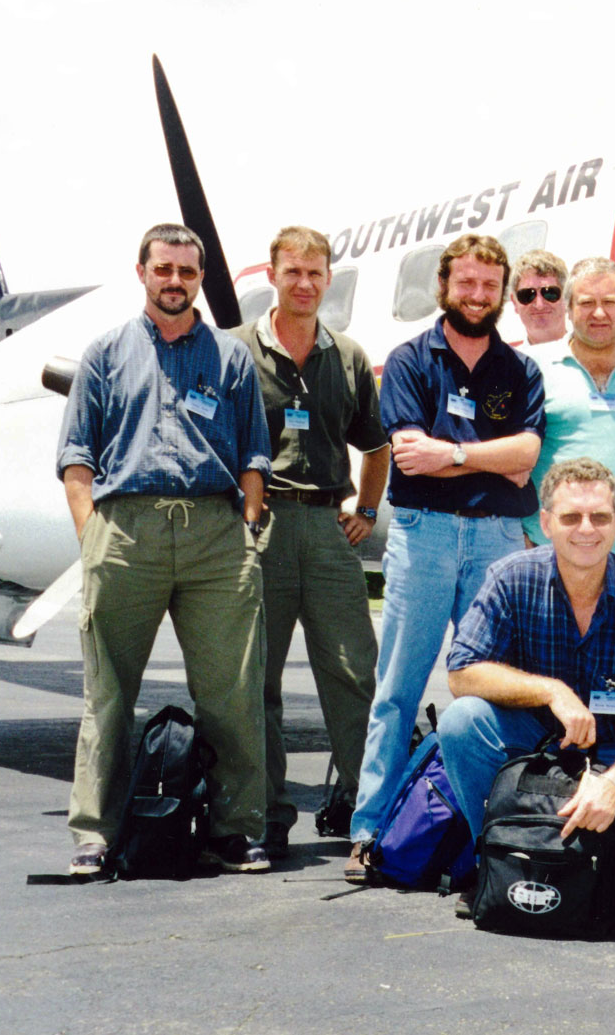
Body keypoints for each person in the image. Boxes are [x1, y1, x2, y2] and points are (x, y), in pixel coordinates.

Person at [57, 223, 274, 875]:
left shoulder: (232, 359)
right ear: (143, 272)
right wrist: (92, 533)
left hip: (215, 535)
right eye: (164, 269)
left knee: (233, 690)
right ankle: (97, 831)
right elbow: (75, 455)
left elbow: (255, 452)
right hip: (127, 533)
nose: (175, 281)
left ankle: (237, 827)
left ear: (200, 278)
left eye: (187, 271)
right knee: (108, 692)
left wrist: (249, 522)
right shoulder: (105, 353)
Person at [347, 234, 545, 882]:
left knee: (498, 691)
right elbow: (407, 453)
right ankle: (369, 828)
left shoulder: (519, 373)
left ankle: (495, 831)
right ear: (445, 286)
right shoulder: (409, 360)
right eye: (467, 283)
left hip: (493, 540)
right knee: (398, 689)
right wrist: (490, 455)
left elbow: (526, 457)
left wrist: (454, 454)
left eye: (490, 286)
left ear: (502, 293)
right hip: (424, 535)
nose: (478, 295)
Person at [439, 458, 615, 910]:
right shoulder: (511, 579)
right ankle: (500, 855)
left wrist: (613, 785)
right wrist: (552, 691)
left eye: (599, 517)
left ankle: (605, 865)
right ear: (545, 523)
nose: (586, 529)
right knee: (463, 721)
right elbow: (462, 673)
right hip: (533, 747)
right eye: (570, 517)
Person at [226, 226, 387, 860]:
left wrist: (366, 510)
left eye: (316, 273)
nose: (305, 283)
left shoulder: (347, 357)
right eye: (294, 271)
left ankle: (361, 802)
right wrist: (243, 511)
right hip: (258, 528)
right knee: (254, 678)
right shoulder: (235, 350)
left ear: (327, 277)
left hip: (325, 528)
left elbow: (376, 446)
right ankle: (264, 813)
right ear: (273, 273)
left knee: (353, 672)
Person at [522, 257, 615, 576]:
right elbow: (515, 461)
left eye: (609, 302)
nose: (599, 313)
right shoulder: (532, 368)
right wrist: (523, 534)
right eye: (586, 303)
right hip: (548, 549)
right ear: (568, 309)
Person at [508, 249, 568, 347]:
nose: (539, 305)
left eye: (549, 293)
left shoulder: (596, 356)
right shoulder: (504, 361)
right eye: (528, 295)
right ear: (515, 303)